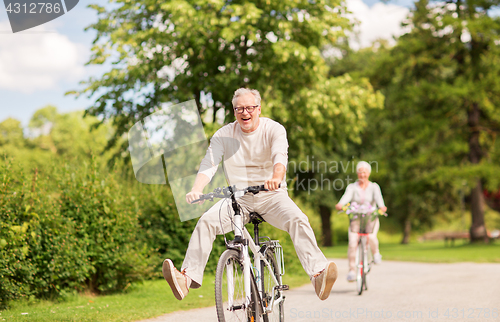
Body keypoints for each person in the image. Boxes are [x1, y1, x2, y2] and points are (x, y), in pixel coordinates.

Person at [162, 88, 338, 301]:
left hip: (271, 195)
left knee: (298, 219)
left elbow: (279, 157)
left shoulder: (274, 129)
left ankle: (318, 275)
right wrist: (196, 188)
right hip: (238, 198)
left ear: (258, 109)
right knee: (206, 221)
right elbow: (209, 164)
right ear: (234, 111)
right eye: (239, 109)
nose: (244, 112)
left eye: (249, 108)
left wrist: (276, 177)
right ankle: (186, 279)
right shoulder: (224, 134)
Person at [335, 161, 387, 282]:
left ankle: (376, 253)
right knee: (352, 242)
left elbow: (380, 201)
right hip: (356, 219)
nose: (362, 174)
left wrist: (382, 207)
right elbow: (345, 198)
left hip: (370, 219)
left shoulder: (374, 187)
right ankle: (352, 271)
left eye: (364, 172)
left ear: (368, 173)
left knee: (372, 237)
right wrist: (340, 204)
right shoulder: (352, 187)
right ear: (357, 174)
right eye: (360, 172)